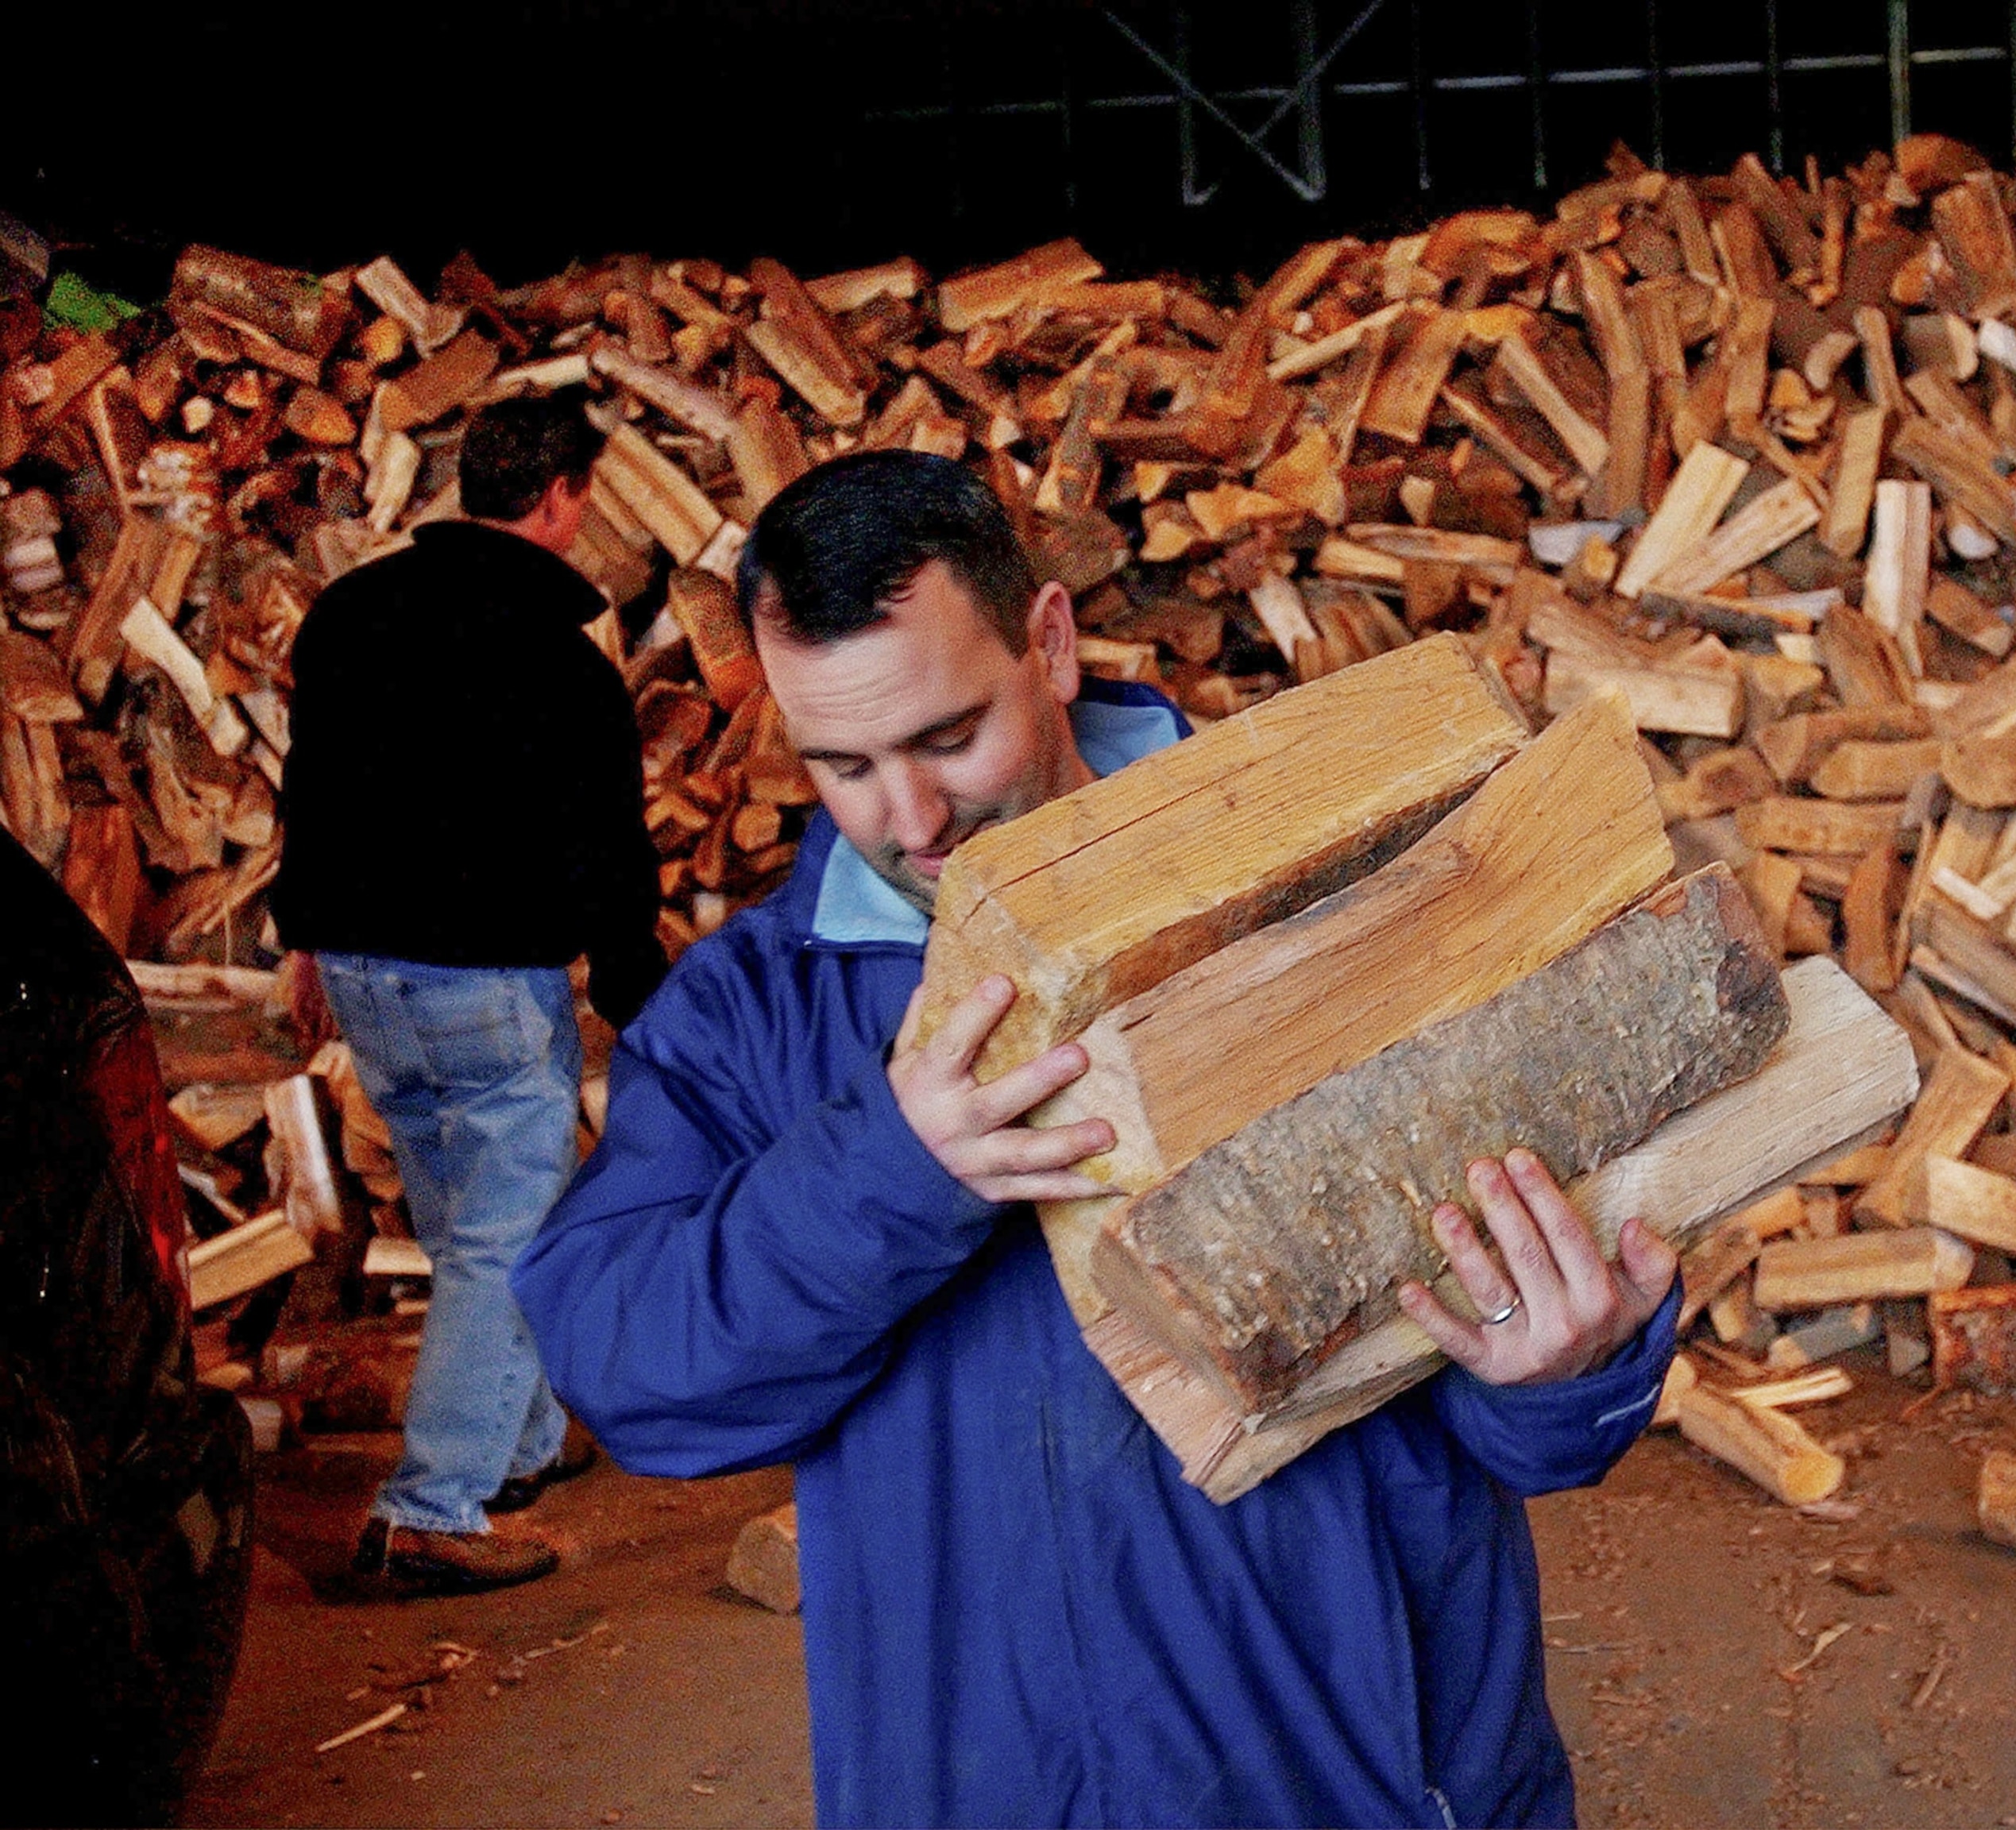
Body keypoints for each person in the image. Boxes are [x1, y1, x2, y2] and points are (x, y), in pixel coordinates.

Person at [514, 450, 1682, 1827]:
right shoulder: (757, 1013)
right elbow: (629, 1367)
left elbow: (1549, 1394)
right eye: (842, 764)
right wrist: (892, 1170)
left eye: (951, 736)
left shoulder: (1354, 873)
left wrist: (1563, 1372)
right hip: (982, 1782)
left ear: (1051, 645)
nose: (912, 818)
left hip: (1362, 1772)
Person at [271, 388, 666, 1593]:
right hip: (489, 982)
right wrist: (645, 997)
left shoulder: (351, 611)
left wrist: (305, 941)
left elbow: (314, 788)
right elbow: (607, 848)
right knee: (512, 1235)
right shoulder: (559, 657)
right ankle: (429, 1508)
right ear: (558, 499)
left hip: (364, 975)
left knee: (463, 1227)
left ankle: (520, 1449)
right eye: (586, 496)